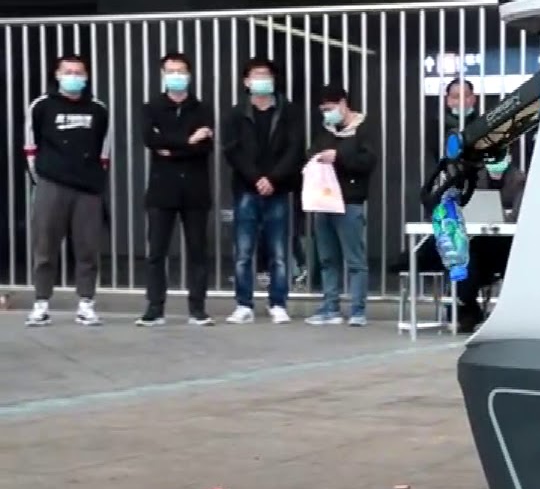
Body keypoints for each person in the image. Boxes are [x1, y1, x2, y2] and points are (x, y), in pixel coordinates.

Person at [419, 78, 526, 333]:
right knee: (461, 253)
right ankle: (465, 310)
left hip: (505, 244)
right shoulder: (473, 178)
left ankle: (471, 309)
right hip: (475, 238)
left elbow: (520, 217)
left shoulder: (518, 179)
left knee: (475, 256)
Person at [23, 54, 111, 327]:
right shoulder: (41, 106)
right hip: (51, 184)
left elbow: (104, 151)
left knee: (88, 248)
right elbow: (30, 147)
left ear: (86, 77)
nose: (74, 77)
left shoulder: (98, 109)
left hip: (88, 189)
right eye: (68, 72)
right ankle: (41, 304)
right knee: (45, 247)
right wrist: (41, 180)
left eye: (79, 72)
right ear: (57, 75)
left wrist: (95, 180)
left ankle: (86, 304)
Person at [221, 57, 305, 324]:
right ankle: (243, 304)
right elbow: (232, 150)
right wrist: (257, 178)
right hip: (246, 189)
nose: (261, 80)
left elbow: (295, 149)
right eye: (256, 75)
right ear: (246, 82)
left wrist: (273, 178)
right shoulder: (236, 113)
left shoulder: (289, 111)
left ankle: (278, 303)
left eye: (266, 75)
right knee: (243, 252)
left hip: (279, 189)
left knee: (279, 252)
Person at [136, 52, 215, 327]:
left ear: (190, 75)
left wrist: (172, 145)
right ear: (163, 75)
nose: (176, 76)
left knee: (197, 252)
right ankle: (154, 308)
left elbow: (205, 148)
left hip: (195, 190)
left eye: (181, 71)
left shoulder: (202, 109)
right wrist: (189, 140)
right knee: (156, 252)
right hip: (162, 190)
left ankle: (198, 309)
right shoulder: (151, 108)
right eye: (171, 71)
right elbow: (151, 140)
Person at [305, 85, 378, 327]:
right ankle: (330, 307)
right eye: (324, 110)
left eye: (331, 108)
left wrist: (339, 157)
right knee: (327, 259)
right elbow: (311, 153)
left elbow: (368, 161)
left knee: (355, 260)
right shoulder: (325, 130)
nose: (328, 114)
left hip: (350, 201)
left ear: (343, 103)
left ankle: (358, 310)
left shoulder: (363, 128)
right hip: (324, 201)